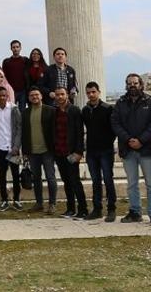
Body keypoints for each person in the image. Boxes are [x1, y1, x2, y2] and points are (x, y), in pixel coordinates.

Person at [112, 73, 151, 225]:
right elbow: (115, 123)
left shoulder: (150, 103)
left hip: (146, 149)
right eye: (129, 83)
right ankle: (135, 211)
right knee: (132, 183)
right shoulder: (120, 102)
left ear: (141, 84)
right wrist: (128, 139)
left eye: (135, 83)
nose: (132, 85)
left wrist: (141, 140)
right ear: (126, 85)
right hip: (128, 150)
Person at [81, 81, 117, 222]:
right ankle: (97, 209)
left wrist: (107, 141)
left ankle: (111, 209)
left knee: (108, 180)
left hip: (106, 150)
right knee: (95, 181)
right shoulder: (85, 110)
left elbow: (113, 129)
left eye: (93, 92)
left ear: (99, 92)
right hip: (91, 151)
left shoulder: (108, 109)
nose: (91, 95)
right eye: (88, 92)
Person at [51, 86, 88, 219]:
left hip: (72, 152)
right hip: (59, 152)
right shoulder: (55, 111)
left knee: (75, 181)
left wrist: (79, 152)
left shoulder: (74, 110)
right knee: (67, 182)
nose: (60, 97)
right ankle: (70, 208)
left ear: (67, 95)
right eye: (57, 95)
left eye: (62, 94)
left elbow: (79, 132)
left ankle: (83, 209)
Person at [21, 86, 57, 214]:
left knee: (50, 177)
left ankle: (52, 203)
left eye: (37, 94)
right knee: (36, 178)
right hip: (32, 151)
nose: (35, 97)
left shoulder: (51, 110)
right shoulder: (25, 112)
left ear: (41, 96)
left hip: (47, 150)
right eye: (32, 95)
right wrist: (24, 152)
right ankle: (39, 203)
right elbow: (23, 133)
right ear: (29, 98)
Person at [0, 85, 22, 211]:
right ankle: (4, 200)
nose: (2, 98)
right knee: (2, 176)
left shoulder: (14, 109)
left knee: (15, 175)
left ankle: (16, 200)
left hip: (13, 148)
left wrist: (16, 146)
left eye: (4, 95)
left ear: (7, 96)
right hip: (0, 147)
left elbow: (19, 128)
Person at [2, 39, 28, 107]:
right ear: (11, 49)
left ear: (20, 48)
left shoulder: (25, 60)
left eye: (17, 47)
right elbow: (4, 76)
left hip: (23, 91)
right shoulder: (6, 62)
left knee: (22, 111)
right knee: (11, 110)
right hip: (11, 90)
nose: (15, 49)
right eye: (13, 47)